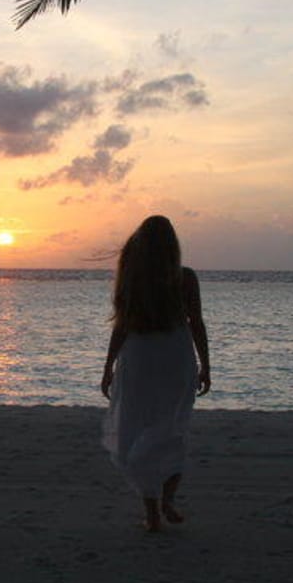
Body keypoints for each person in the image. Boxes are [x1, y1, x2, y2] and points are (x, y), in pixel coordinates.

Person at [99, 215, 211, 532]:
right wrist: (206, 364)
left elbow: (121, 326)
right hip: (175, 356)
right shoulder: (185, 278)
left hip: (140, 358)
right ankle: (168, 500)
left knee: (137, 428)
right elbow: (196, 323)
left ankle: (151, 514)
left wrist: (108, 366)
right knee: (173, 428)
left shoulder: (132, 279)